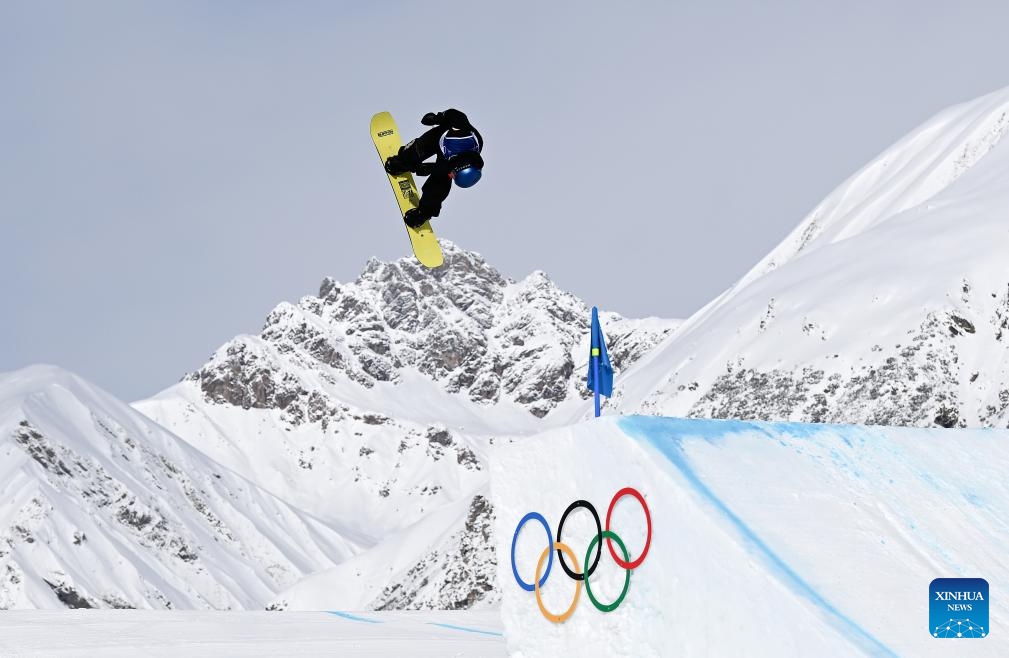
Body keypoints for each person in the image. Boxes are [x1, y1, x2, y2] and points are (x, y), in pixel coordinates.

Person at [384, 108, 484, 228]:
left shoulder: (456, 167)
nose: (452, 176)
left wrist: (427, 168)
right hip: (440, 137)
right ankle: (403, 162)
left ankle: (424, 213)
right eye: (454, 175)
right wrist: (437, 118)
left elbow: (444, 169)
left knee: (440, 185)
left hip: (447, 158)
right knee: (418, 149)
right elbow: (456, 115)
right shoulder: (465, 132)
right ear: (461, 168)